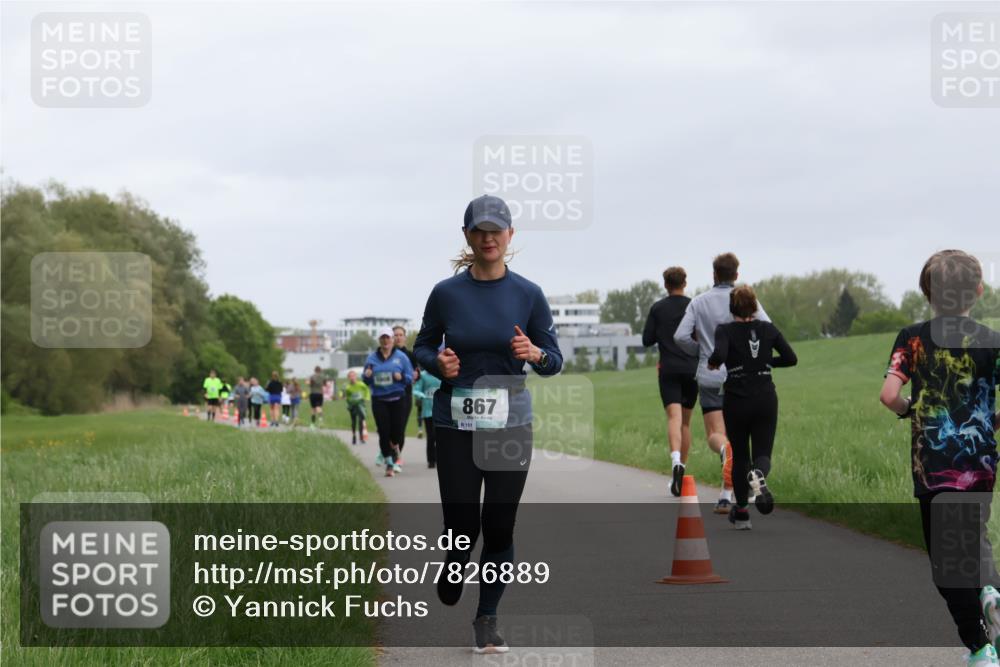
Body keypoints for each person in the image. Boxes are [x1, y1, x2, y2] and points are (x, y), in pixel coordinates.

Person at [413, 194, 562, 654]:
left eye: (497, 229)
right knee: (462, 525)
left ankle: (487, 618)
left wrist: (534, 355)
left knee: (499, 525)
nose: (489, 236)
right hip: (456, 422)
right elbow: (421, 348)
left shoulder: (528, 294)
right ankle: (456, 557)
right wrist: (438, 364)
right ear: (467, 237)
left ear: (510, 235)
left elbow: (554, 359)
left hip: (510, 422)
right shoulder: (445, 293)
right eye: (480, 229)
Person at [879, 250, 1000, 667]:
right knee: (972, 539)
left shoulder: (912, 337)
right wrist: (992, 421)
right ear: (978, 290)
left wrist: (908, 409)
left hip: (932, 467)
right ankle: (990, 591)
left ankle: (980, 648)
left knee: (947, 564)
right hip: (980, 467)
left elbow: (889, 395)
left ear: (926, 292)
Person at [675, 252, 771, 514]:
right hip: (745, 376)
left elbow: (680, 336)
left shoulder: (698, 302)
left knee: (718, 436)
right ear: (736, 275)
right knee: (740, 440)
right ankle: (726, 494)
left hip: (711, 374)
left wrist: (702, 351)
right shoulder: (743, 299)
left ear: (714, 274)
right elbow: (766, 327)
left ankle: (726, 489)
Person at [707, 285, 797, 530]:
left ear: (732, 308)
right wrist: (768, 361)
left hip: (736, 400)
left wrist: (714, 363)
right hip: (765, 398)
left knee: (740, 457)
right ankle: (759, 475)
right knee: (762, 454)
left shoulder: (724, 330)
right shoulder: (768, 329)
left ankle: (743, 514)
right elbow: (791, 358)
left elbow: (719, 354)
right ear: (754, 307)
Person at [642, 266, 699, 496]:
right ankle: (682, 471)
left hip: (668, 369)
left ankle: (675, 460)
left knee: (673, 418)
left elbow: (647, 340)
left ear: (665, 285)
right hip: (692, 369)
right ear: (684, 283)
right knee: (686, 422)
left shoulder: (658, 308)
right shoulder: (694, 305)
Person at [364, 327, 414, 477]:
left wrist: (402, 378)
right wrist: (367, 376)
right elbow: (365, 380)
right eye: (383, 338)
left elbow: (410, 377)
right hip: (379, 399)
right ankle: (389, 462)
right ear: (379, 340)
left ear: (392, 340)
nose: (385, 341)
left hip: (398, 399)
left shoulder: (401, 357)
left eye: (388, 338)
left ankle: (395, 449)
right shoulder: (372, 358)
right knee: (383, 432)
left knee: (397, 432)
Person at [394, 324, 421, 459]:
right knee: (388, 429)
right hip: (388, 396)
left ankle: (396, 457)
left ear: (405, 337)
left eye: (400, 335)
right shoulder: (385, 355)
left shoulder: (410, 355)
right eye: (395, 335)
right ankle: (390, 454)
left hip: (405, 396)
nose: (398, 338)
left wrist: (416, 375)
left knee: (400, 428)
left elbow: (417, 374)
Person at [412, 363, 442, 468]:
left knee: (441, 436)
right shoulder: (423, 375)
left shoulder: (441, 373)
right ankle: (431, 460)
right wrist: (422, 395)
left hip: (441, 411)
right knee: (431, 436)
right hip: (428, 411)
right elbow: (416, 390)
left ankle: (440, 459)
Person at [344, 370, 371, 445]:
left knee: (361, 420)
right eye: (350, 376)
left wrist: (367, 397)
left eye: (353, 376)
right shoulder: (348, 387)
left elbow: (367, 390)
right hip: (353, 406)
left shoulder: (361, 384)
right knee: (353, 421)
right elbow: (348, 397)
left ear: (356, 377)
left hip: (360, 404)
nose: (352, 378)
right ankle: (354, 436)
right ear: (348, 378)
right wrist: (349, 403)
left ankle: (361, 437)